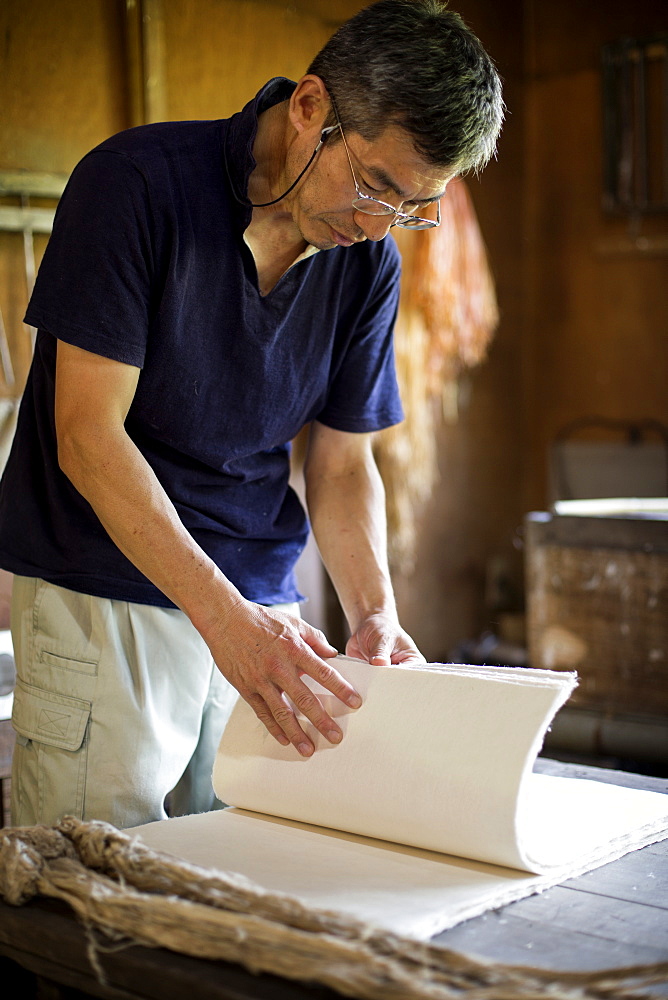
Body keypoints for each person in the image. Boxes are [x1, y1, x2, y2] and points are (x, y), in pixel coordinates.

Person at [0, 0, 503, 829]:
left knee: (251, 866)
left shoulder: (368, 260)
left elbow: (342, 463)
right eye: (376, 184)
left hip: (262, 605)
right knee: (93, 887)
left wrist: (374, 611)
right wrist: (225, 622)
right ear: (310, 109)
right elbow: (87, 438)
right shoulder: (135, 185)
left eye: (413, 207)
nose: (380, 225)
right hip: (104, 594)